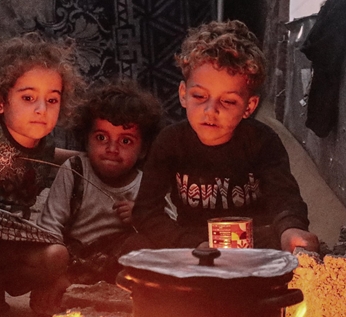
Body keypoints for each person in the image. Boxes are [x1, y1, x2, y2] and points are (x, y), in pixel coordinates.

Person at [129, 20, 320, 253]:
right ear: (183, 94)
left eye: (228, 101)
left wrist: (291, 229)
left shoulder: (262, 141)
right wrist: (188, 244)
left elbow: (284, 198)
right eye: (199, 96)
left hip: (253, 243)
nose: (210, 111)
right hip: (194, 243)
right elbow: (146, 212)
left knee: (295, 247)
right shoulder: (170, 142)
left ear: (249, 107)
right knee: (134, 246)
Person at [0, 33, 83, 317]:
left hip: (9, 245)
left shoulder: (43, 145)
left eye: (52, 100)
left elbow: (49, 159)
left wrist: (90, 161)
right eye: (28, 98)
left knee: (57, 256)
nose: (41, 110)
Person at [38, 79, 164, 283]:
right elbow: (49, 226)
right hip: (71, 260)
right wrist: (53, 274)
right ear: (86, 139)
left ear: (144, 149)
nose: (112, 149)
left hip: (116, 267)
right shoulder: (74, 170)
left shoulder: (146, 184)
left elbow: (166, 229)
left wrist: (142, 216)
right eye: (101, 138)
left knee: (141, 243)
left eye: (125, 141)